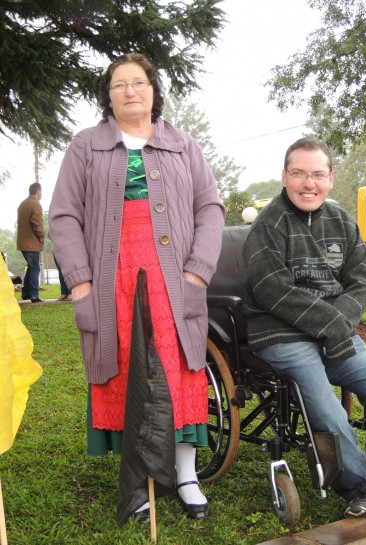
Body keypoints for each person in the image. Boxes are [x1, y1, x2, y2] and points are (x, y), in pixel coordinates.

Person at [49, 52, 224, 522]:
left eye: (139, 82)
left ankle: (185, 475)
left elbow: (210, 208)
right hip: (112, 281)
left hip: (174, 277)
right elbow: (64, 216)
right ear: (107, 96)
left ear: (153, 90)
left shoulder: (184, 145)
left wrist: (197, 271)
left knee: (177, 368)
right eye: (119, 84)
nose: (130, 91)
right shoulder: (85, 146)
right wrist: (81, 284)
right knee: (126, 367)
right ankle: (139, 482)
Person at [243, 137, 366, 518]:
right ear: (284, 176)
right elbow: (271, 289)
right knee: (326, 404)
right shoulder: (268, 225)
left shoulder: (340, 220)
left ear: (331, 178)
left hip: (336, 332)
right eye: (299, 173)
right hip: (282, 334)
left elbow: (361, 280)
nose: (308, 183)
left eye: (318, 174)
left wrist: (339, 323)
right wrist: (332, 324)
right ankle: (359, 485)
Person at [17, 182, 45, 303]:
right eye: (41, 191)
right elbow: (37, 224)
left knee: (31, 267)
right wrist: (42, 236)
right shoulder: (35, 205)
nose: (42, 194)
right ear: (37, 191)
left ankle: (25, 292)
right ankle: (34, 294)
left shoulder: (22, 204)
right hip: (31, 243)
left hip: (22, 243)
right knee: (35, 268)